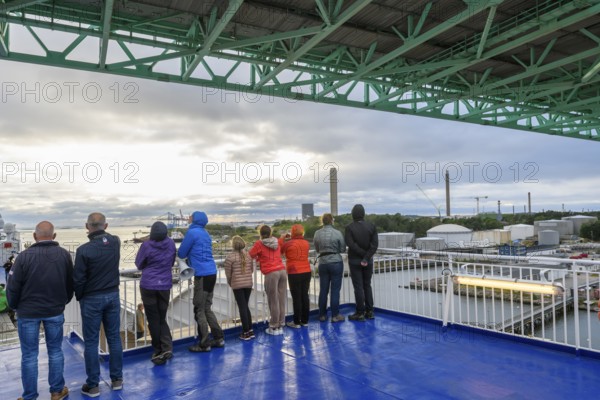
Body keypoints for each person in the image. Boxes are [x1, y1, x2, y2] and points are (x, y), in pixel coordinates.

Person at [6, 221, 73, 400]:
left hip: (27, 313)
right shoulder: (64, 255)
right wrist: (62, 302)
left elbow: (12, 287)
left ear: (35, 237)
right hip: (54, 311)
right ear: (54, 236)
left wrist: (14, 306)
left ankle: (29, 397)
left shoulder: (23, 257)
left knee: (29, 355)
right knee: (55, 351)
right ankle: (57, 392)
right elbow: (70, 284)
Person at [73, 212, 123, 397]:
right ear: (106, 225)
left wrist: (80, 297)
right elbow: (109, 242)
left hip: (92, 299)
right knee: (114, 338)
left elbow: (78, 279)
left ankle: (93, 385)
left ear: (87, 227)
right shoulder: (116, 242)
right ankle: (117, 379)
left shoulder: (84, 250)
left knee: (92, 342)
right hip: (112, 295)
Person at [178, 211, 225, 352]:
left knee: (199, 309)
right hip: (211, 272)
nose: (189, 218)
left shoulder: (192, 233)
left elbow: (181, 253)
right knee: (207, 307)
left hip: (202, 275)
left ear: (195, 219)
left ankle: (204, 344)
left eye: (190, 216)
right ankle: (219, 338)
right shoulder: (205, 233)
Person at [135, 221, 176, 364]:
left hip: (148, 285)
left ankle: (158, 350)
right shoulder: (171, 243)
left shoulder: (146, 245)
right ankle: (167, 347)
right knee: (161, 317)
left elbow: (139, 264)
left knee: (153, 318)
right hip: (164, 285)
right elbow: (171, 262)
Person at [249, 225, 287, 335]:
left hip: (271, 273)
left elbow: (250, 255)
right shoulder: (276, 242)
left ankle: (274, 326)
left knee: (273, 300)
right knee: (281, 299)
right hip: (282, 271)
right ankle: (281, 324)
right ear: (271, 233)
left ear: (260, 233)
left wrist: (258, 258)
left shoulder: (259, 244)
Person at [344, 204, 378, 321]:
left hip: (355, 261)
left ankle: (360, 313)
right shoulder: (371, 226)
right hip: (368, 261)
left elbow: (350, 244)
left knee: (358, 287)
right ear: (363, 214)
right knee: (367, 285)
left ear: (353, 214)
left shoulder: (349, 227)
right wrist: (366, 257)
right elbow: (374, 246)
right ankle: (370, 311)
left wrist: (362, 255)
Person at [314, 213, 346, 323]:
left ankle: (322, 315)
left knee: (323, 290)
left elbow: (317, 249)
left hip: (323, 263)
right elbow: (342, 249)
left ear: (322, 221)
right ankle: (335, 315)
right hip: (336, 262)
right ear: (332, 221)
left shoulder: (317, 233)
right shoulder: (337, 233)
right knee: (335, 290)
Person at [279, 224, 311, 328]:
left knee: (296, 297)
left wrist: (282, 238)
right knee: (304, 295)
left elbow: (279, 250)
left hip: (294, 272)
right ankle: (305, 320)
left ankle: (296, 322)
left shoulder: (288, 244)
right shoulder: (306, 243)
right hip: (306, 271)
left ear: (292, 232)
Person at [223, 236, 255, 340]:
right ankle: (250, 330)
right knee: (245, 306)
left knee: (242, 307)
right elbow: (251, 270)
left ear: (233, 245)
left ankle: (245, 332)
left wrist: (230, 282)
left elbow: (228, 273)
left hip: (237, 285)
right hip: (248, 284)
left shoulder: (230, 257)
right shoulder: (248, 255)